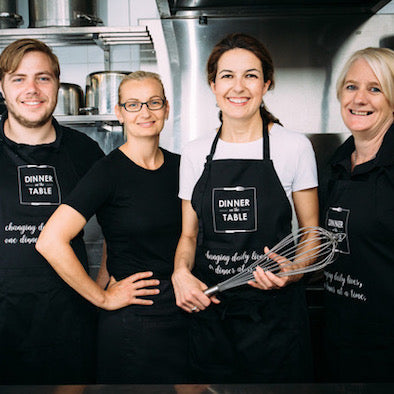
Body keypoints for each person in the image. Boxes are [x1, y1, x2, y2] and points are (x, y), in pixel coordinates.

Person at [172, 32, 319, 383]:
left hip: (275, 320)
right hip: (212, 311)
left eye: (250, 75)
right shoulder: (194, 152)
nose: (238, 87)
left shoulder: (294, 147)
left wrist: (294, 271)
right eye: (227, 76)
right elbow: (189, 234)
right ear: (212, 84)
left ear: (266, 83)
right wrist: (180, 272)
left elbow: (312, 230)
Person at [36, 71, 190, 384]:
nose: (145, 112)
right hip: (134, 322)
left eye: (153, 102)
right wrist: (102, 298)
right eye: (133, 104)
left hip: (184, 313)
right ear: (119, 112)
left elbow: (117, 236)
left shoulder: (182, 166)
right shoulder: (107, 171)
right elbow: (50, 241)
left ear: (166, 109)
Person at [0, 39, 104, 384]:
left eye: (43, 78)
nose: (32, 89)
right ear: (2, 86)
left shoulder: (85, 152)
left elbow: (120, 230)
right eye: (18, 78)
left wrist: (100, 290)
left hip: (68, 323)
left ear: (57, 84)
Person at [322, 47, 394, 382]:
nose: (360, 98)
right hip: (339, 339)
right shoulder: (337, 164)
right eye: (351, 87)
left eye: (375, 88)